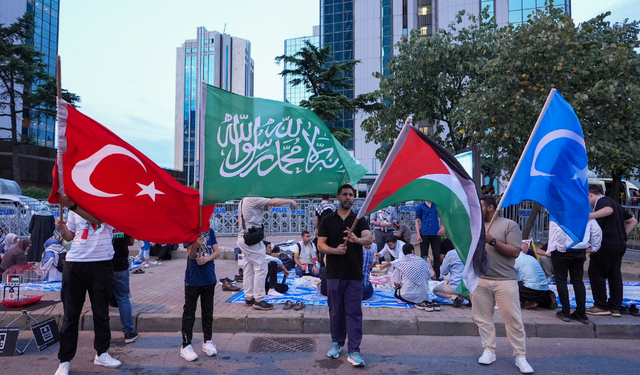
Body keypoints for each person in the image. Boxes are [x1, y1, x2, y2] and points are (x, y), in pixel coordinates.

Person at [54, 195, 121, 375]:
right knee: (70, 315)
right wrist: (62, 228)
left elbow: (98, 219)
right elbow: (70, 236)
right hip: (75, 263)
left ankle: (102, 353)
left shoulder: (108, 204)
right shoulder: (74, 206)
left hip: (102, 262)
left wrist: (73, 205)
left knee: (101, 313)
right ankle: (65, 360)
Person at [472, 195, 533, 374]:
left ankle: (520, 356)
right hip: (480, 279)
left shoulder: (509, 225)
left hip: (505, 281)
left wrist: (492, 240)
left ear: (491, 207)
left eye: (481, 206)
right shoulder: (475, 225)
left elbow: (515, 252)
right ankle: (489, 350)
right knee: (482, 319)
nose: (478, 209)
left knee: (513, 320)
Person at [318, 184, 372, 367]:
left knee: (354, 313)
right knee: (335, 311)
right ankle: (336, 343)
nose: (348, 197)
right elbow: (320, 245)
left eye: (351, 195)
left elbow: (369, 238)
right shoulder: (327, 220)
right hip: (333, 274)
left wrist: (356, 239)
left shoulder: (359, 220)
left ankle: (354, 351)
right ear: (338, 197)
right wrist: (334, 250)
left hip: (354, 274)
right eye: (345, 194)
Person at [237, 197, 298, 311]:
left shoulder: (243, 201)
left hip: (243, 238)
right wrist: (290, 201)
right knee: (261, 268)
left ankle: (249, 297)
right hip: (252, 241)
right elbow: (273, 202)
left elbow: (239, 220)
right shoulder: (252, 199)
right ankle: (259, 300)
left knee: (248, 268)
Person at [587, 184, 638, 317]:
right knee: (614, 275)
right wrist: (623, 235)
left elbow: (608, 210)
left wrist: (590, 216)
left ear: (590, 195)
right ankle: (615, 306)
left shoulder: (603, 202)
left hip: (606, 244)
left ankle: (601, 305)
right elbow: (633, 221)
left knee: (596, 273)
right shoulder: (615, 203)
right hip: (619, 244)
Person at [547, 218, 602, 324]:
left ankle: (565, 311)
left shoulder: (560, 210)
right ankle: (581, 313)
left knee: (561, 280)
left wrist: (561, 247)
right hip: (580, 248)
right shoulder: (585, 211)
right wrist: (595, 246)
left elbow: (558, 230)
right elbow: (596, 230)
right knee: (578, 280)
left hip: (563, 249)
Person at [180, 229, 221, 362]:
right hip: (193, 280)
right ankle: (186, 345)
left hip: (209, 278)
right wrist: (196, 245)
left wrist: (207, 259)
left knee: (208, 312)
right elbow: (191, 256)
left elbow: (217, 252)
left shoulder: (210, 231)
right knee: (189, 313)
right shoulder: (189, 232)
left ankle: (208, 341)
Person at [111, 231, 138, 344]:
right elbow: (131, 242)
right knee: (123, 298)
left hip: (104, 263)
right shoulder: (124, 220)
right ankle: (128, 332)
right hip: (121, 263)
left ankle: (102, 335)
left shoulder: (102, 219)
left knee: (100, 300)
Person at [392, 243, 437, 310]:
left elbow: (397, 284)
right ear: (412, 251)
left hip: (407, 295)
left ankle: (414, 302)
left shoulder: (400, 264)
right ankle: (420, 302)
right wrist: (429, 263)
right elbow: (434, 277)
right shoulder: (423, 262)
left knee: (397, 292)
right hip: (423, 295)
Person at [415, 201, 445, 278]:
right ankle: (424, 277)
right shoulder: (420, 206)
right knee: (424, 257)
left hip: (435, 233)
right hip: (424, 233)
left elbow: (443, 216)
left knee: (437, 256)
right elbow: (417, 221)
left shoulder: (436, 205)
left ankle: (437, 276)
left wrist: (443, 227)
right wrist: (418, 234)